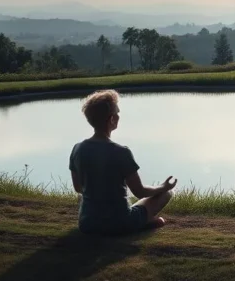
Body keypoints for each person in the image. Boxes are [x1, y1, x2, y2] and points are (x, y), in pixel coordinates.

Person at [69, 89, 177, 235]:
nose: (119, 116)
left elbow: (78, 188)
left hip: (88, 224)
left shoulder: (77, 149)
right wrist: (163, 186)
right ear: (112, 119)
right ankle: (143, 223)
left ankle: (143, 222)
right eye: (117, 113)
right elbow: (140, 192)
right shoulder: (121, 152)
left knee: (84, 197)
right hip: (121, 223)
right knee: (167, 193)